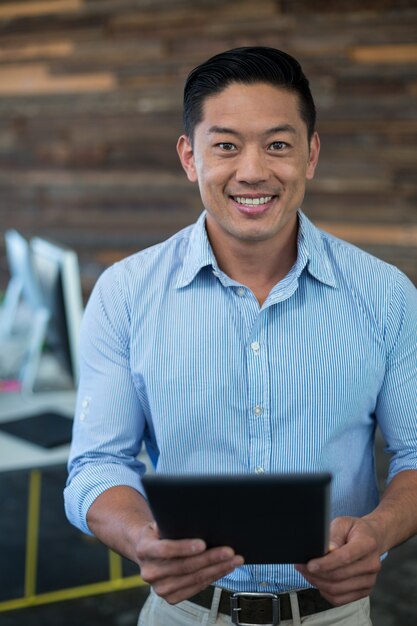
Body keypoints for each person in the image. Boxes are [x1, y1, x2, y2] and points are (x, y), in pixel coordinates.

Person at [64, 47, 417, 626]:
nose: (253, 171)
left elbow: (414, 455)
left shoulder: (386, 295)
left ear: (312, 154)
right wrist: (140, 537)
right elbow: (98, 465)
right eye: (226, 145)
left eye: (278, 144)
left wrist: (378, 530)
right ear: (189, 157)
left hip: (335, 614)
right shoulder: (124, 293)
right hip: (184, 613)